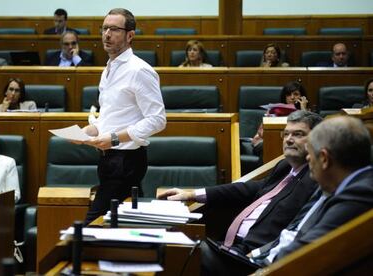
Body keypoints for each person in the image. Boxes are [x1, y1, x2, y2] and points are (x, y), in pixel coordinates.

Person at [158, 110, 323, 275]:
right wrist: (192, 194)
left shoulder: (317, 178)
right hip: (229, 246)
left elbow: (299, 231)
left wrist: (258, 255)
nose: (289, 139)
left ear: (318, 140)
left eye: (298, 134)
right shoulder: (284, 167)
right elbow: (249, 189)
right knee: (167, 242)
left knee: (178, 250)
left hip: (252, 258)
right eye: (286, 134)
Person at [73, 8, 166, 225]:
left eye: (114, 29)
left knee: (89, 227)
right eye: (104, 28)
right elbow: (111, 115)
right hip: (107, 160)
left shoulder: (139, 70)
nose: (107, 34)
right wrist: (89, 131)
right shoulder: (109, 68)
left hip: (126, 160)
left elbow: (158, 119)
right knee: (116, 226)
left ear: (130, 35)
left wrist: (114, 138)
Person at [247, 116, 373, 273]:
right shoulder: (345, 185)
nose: (308, 158)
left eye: (310, 153)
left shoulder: (359, 194)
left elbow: (304, 252)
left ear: (324, 159)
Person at [251, 81, 309, 164]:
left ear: (302, 97)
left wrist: (303, 110)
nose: (292, 97)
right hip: (264, 142)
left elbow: (308, 132)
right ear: (284, 96)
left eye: (296, 94)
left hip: (289, 142)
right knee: (269, 146)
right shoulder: (274, 109)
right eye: (288, 94)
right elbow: (262, 133)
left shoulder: (306, 112)